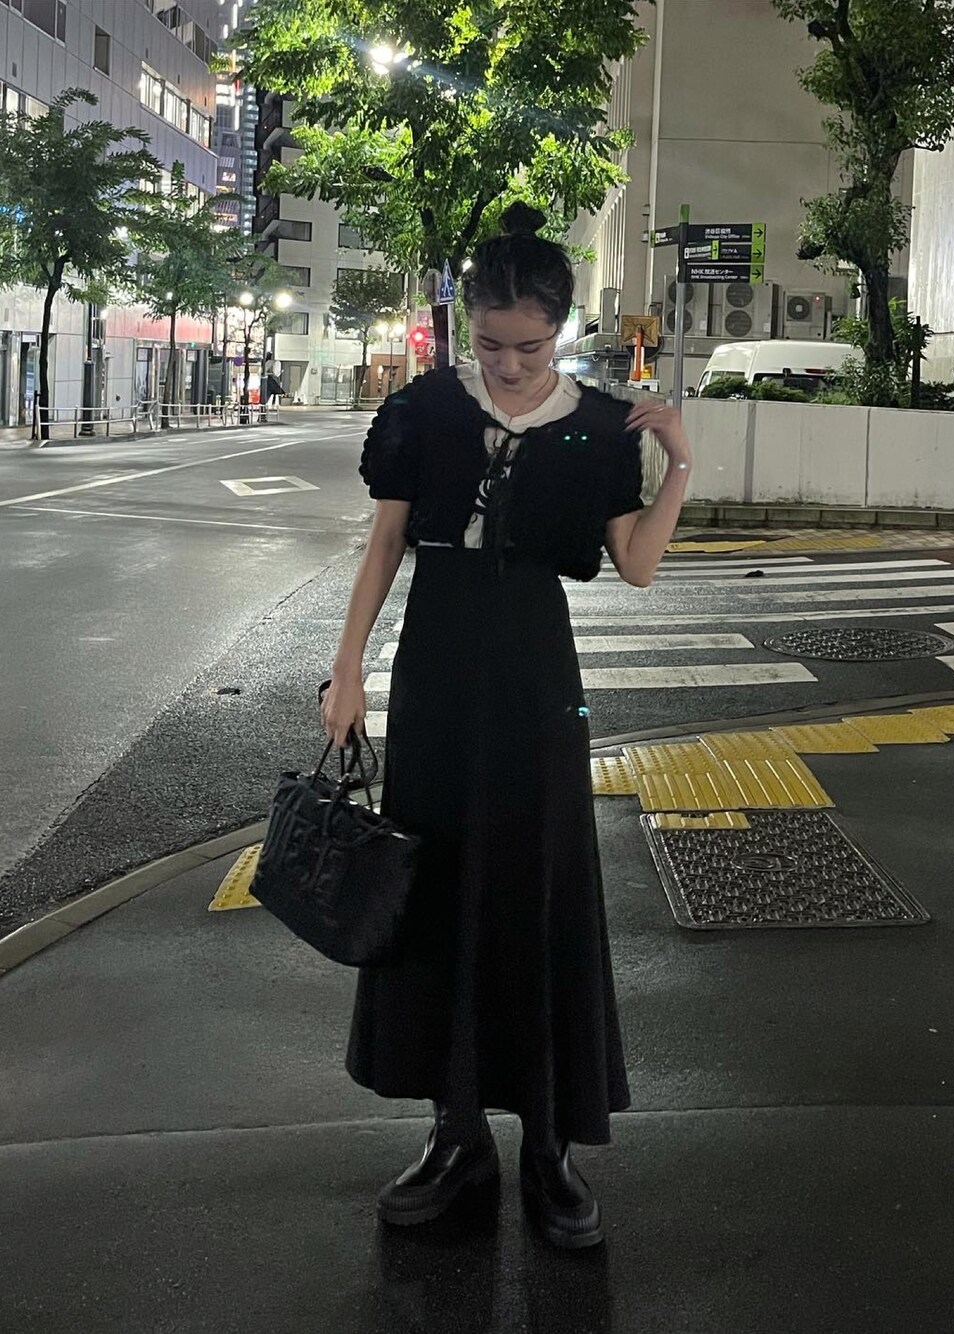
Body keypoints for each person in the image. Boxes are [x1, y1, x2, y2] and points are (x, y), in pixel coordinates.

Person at [321, 202, 692, 1250]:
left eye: (531, 346)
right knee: (436, 893)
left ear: (561, 330)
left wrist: (680, 465)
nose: (512, 364)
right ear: (468, 326)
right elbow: (385, 545)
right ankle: (456, 1135)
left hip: (535, 680)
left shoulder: (597, 428)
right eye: (491, 344)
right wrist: (346, 670)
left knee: (541, 888)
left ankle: (548, 1145)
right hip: (435, 673)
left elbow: (637, 564)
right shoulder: (425, 412)